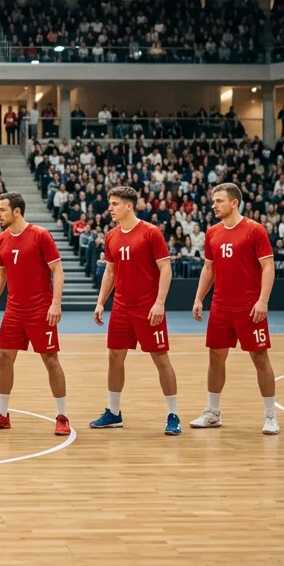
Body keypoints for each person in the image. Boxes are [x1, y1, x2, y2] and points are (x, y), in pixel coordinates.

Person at [190, 184, 280, 435]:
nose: (214, 205)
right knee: (215, 358)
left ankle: (271, 415)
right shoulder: (212, 232)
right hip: (220, 307)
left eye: (219, 201)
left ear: (234, 203)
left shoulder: (254, 230)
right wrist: (199, 298)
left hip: (249, 307)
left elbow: (268, 267)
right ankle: (212, 413)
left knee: (260, 358)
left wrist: (263, 301)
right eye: (213, 201)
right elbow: (209, 269)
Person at [90, 186, 181, 435]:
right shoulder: (111, 236)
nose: (110, 208)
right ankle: (114, 412)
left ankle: (173, 414)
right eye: (110, 203)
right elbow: (109, 273)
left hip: (147, 307)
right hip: (121, 307)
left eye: (115, 203)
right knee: (114, 357)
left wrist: (160, 303)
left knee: (161, 358)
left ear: (129, 206)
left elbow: (166, 269)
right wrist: (101, 302)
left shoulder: (150, 233)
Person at [0, 192, 69, 436]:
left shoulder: (40, 235)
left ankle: (62, 416)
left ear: (17, 211)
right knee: (4, 358)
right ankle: (2, 414)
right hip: (14, 310)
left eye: (2, 210)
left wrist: (56, 303)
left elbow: (57, 271)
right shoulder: (1, 240)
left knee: (50, 360)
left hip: (41, 310)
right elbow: (0, 275)